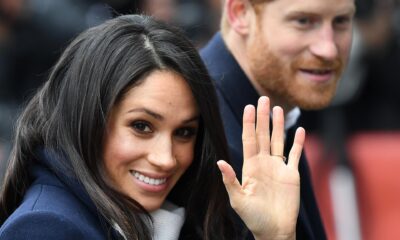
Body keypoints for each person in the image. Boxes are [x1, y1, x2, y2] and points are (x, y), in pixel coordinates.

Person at [0, 14, 306, 239]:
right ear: (85, 119)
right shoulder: (44, 229)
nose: (167, 158)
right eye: (141, 126)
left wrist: (275, 235)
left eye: (185, 132)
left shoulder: (178, 217)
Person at [200, 0, 356, 239]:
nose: (329, 49)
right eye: (303, 21)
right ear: (240, 14)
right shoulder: (202, 135)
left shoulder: (278, 108)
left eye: (341, 21)